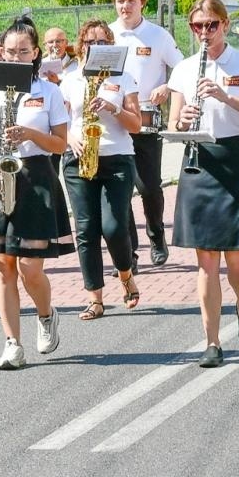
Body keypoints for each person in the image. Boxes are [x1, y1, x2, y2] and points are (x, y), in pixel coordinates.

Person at [168, 0, 239, 367]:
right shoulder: (184, 68)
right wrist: (183, 121)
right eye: (197, 26)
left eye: (211, 25)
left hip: (237, 158)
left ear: (225, 25)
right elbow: (174, 123)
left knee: (238, 261)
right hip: (200, 162)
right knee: (206, 260)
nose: (205, 32)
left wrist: (226, 97)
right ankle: (212, 342)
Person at [0, 17, 74, 370]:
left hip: (36, 175)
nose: (15, 57)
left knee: (29, 267)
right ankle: (12, 343)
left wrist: (29, 134)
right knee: (3, 266)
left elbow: (60, 144)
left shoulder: (48, 91)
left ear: (35, 53)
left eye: (23, 51)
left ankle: (46, 314)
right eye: (9, 51)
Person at [59, 19, 143, 320]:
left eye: (103, 42)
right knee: (85, 229)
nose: (96, 47)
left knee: (114, 227)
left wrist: (113, 108)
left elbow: (137, 125)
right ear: (81, 46)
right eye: (90, 42)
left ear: (112, 46)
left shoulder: (123, 77)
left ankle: (125, 274)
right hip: (78, 158)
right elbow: (59, 124)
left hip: (116, 157)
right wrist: (71, 138)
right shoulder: (70, 79)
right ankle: (94, 298)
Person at [111, 0, 183, 268]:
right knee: (120, 189)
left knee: (149, 186)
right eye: (120, 1)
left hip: (146, 120)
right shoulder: (108, 35)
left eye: (131, 0)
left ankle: (156, 235)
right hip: (115, 120)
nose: (125, 6)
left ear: (142, 2)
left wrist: (167, 87)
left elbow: (182, 68)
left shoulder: (158, 35)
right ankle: (129, 250)